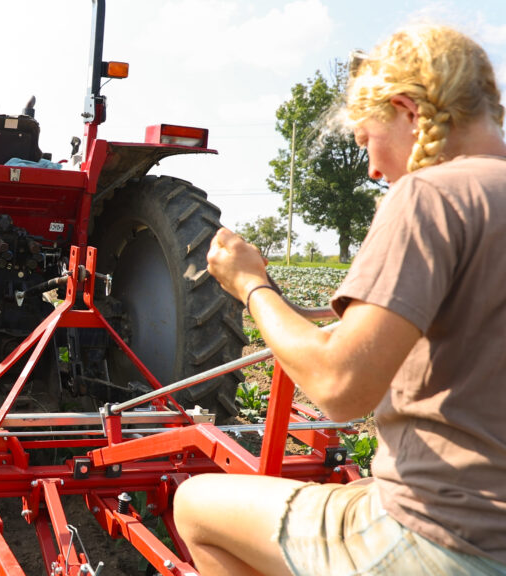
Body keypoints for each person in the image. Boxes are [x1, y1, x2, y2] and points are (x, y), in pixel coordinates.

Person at [172, 24, 506, 575]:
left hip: (446, 537)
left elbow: (338, 387)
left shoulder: (430, 195)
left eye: (365, 142)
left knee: (197, 505)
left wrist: (250, 284)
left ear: (407, 111)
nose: (374, 171)